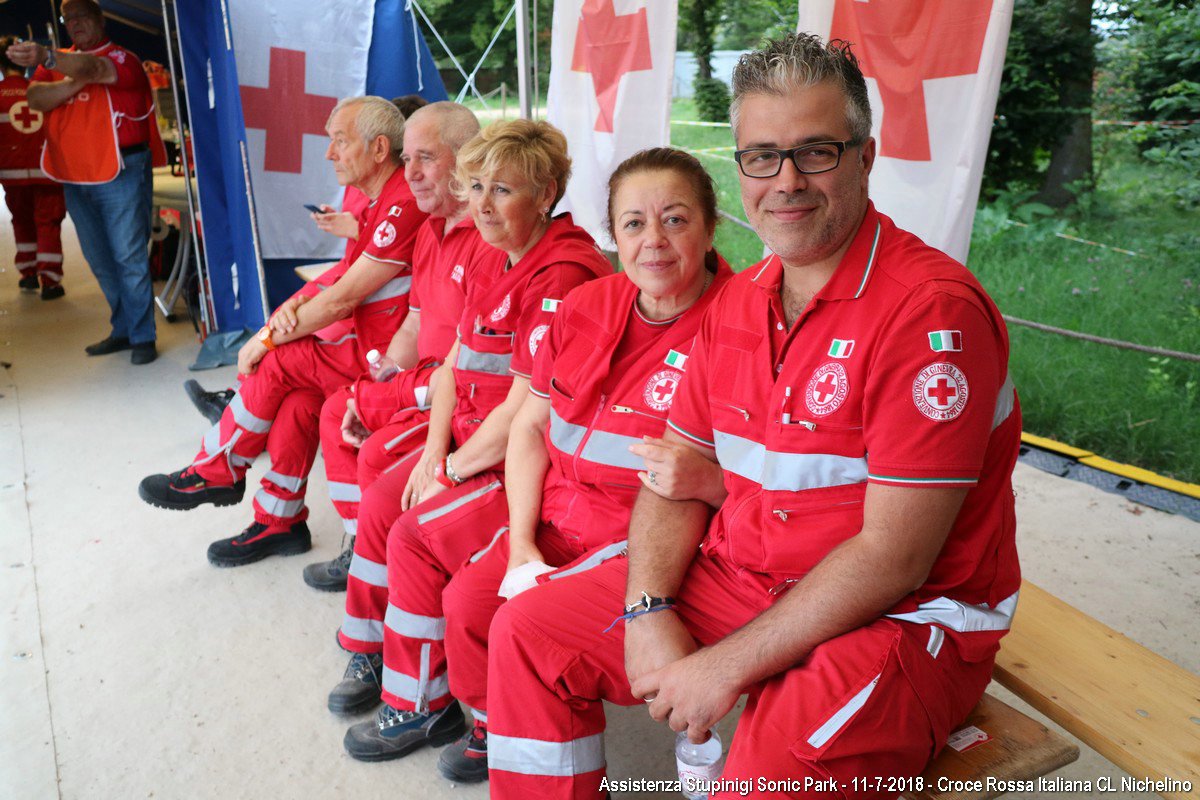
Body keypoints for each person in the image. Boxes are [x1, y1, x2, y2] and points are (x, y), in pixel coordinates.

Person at [484, 33, 1022, 798]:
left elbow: (895, 559)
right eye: (762, 155)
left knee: (766, 777)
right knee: (528, 633)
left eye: (817, 151)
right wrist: (646, 608)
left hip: (904, 616)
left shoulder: (930, 315)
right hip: (747, 572)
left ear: (866, 158)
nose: (787, 180)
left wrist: (723, 666)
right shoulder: (738, 299)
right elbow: (672, 475)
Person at [394, 147, 730, 783]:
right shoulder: (591, 306)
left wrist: (712, 482)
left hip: (644, 545)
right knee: (469, 599)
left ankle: (558, 773)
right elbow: (529, 426)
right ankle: (507, 727)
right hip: (558, 521)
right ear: (614, 236)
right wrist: (521, 543)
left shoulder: (739, 323)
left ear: (712, 228)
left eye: (676, 220)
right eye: (633, 224)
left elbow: (773, 475)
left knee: (527, 630)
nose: (653, 241)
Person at [330, 119, 612, 762]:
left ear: (545, 195)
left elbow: (523, 414)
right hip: (472, 441)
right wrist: (434, 453)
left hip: (524, 462)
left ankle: (442, 708)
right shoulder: (496, 253)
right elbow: (456, 364)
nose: (481, 203)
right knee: (384, 496)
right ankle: (387, 667)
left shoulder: (561, 275)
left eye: (502, 189)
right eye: (476, 185)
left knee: (413, 533)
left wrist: (450, 471)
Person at [138, 96, 428, 568]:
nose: (330, 153)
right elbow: (340, 281)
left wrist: (266, 339)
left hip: (387, 362)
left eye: (339, 141)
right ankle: (280, 522)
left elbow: (343, 298)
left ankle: (217, 468)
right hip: (369, 349)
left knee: (277, 361)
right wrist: (287, 312)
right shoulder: (383, 200)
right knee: (297, 404)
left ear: (378, 149)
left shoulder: (399, 203)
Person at [303, 100, 486, 591]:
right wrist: (385, 371)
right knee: (337, 405)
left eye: (426, 158)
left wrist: (389, 395)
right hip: (423, 379)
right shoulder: (431, 229)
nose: (413, 173)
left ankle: (372, 559)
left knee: (356, 422)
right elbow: (414, 322)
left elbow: (467, 362)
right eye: (407, 160)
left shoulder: (488, 236)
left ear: (466, 157)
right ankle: (355, 543)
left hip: (455, 392)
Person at [7, 0, 158, 362]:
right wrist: (77, 81)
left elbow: (98, 68)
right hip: (74, 176)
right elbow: (36, 99)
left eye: (81, 16)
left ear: (100, 19)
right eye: (68, 18)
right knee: (101, 260)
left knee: (129, 257)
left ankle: (142, 338)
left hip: (120, 171)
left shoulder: (124, 59)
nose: (74, 23)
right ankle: (122, 328)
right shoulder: (60, 64)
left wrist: (53, 60)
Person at [1, 37, 67, 300]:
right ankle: (50, 281)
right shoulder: (42, 90)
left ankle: (27, 273)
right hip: (45, 170)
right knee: (48, 222)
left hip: (11, 174)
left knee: (21, 220)